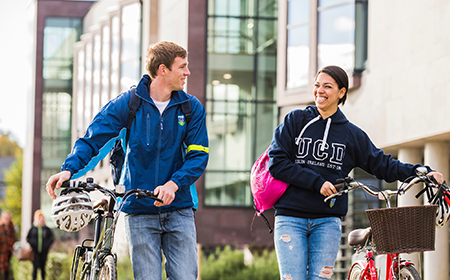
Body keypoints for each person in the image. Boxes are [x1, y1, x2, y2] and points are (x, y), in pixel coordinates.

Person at [45, 41, 209, 280]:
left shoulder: (190, 108)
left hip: (179, 208)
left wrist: (173, 185)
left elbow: (198, 156)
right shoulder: (128, 104)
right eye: (182, 67)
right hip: (138, 210)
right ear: (162, 69)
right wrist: (68, 170)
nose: (187, 72)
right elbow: (93, 140)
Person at [267, 65, 444, 280]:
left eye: (327, 86)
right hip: (290, 218)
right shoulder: (295, 121)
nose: (319, 91)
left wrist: (421, 170)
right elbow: (277, 163)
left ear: (342, 93)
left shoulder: (351, 134)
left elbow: (383, 164)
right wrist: (318, 183)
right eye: (317, 85)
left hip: (327, 222)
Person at [26, 210, 54, 280]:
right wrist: (33, 244)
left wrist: (46, 245)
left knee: (43, 268)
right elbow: (28, 238)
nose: (41, 221)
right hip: (35, 252)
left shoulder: (46, 229)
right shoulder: (33, 229)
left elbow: (51, 238)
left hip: (44, 251)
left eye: (42, 219)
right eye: (40, 219)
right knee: (35, 268)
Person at [0, 211, 15, 280]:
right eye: (5, 218)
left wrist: (11, 249)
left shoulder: (11, 228)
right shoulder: (0, 228)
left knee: (6, 269)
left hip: (8, 252)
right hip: (1, 251)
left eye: (8, 218)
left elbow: (13, 239)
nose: (7, 219)